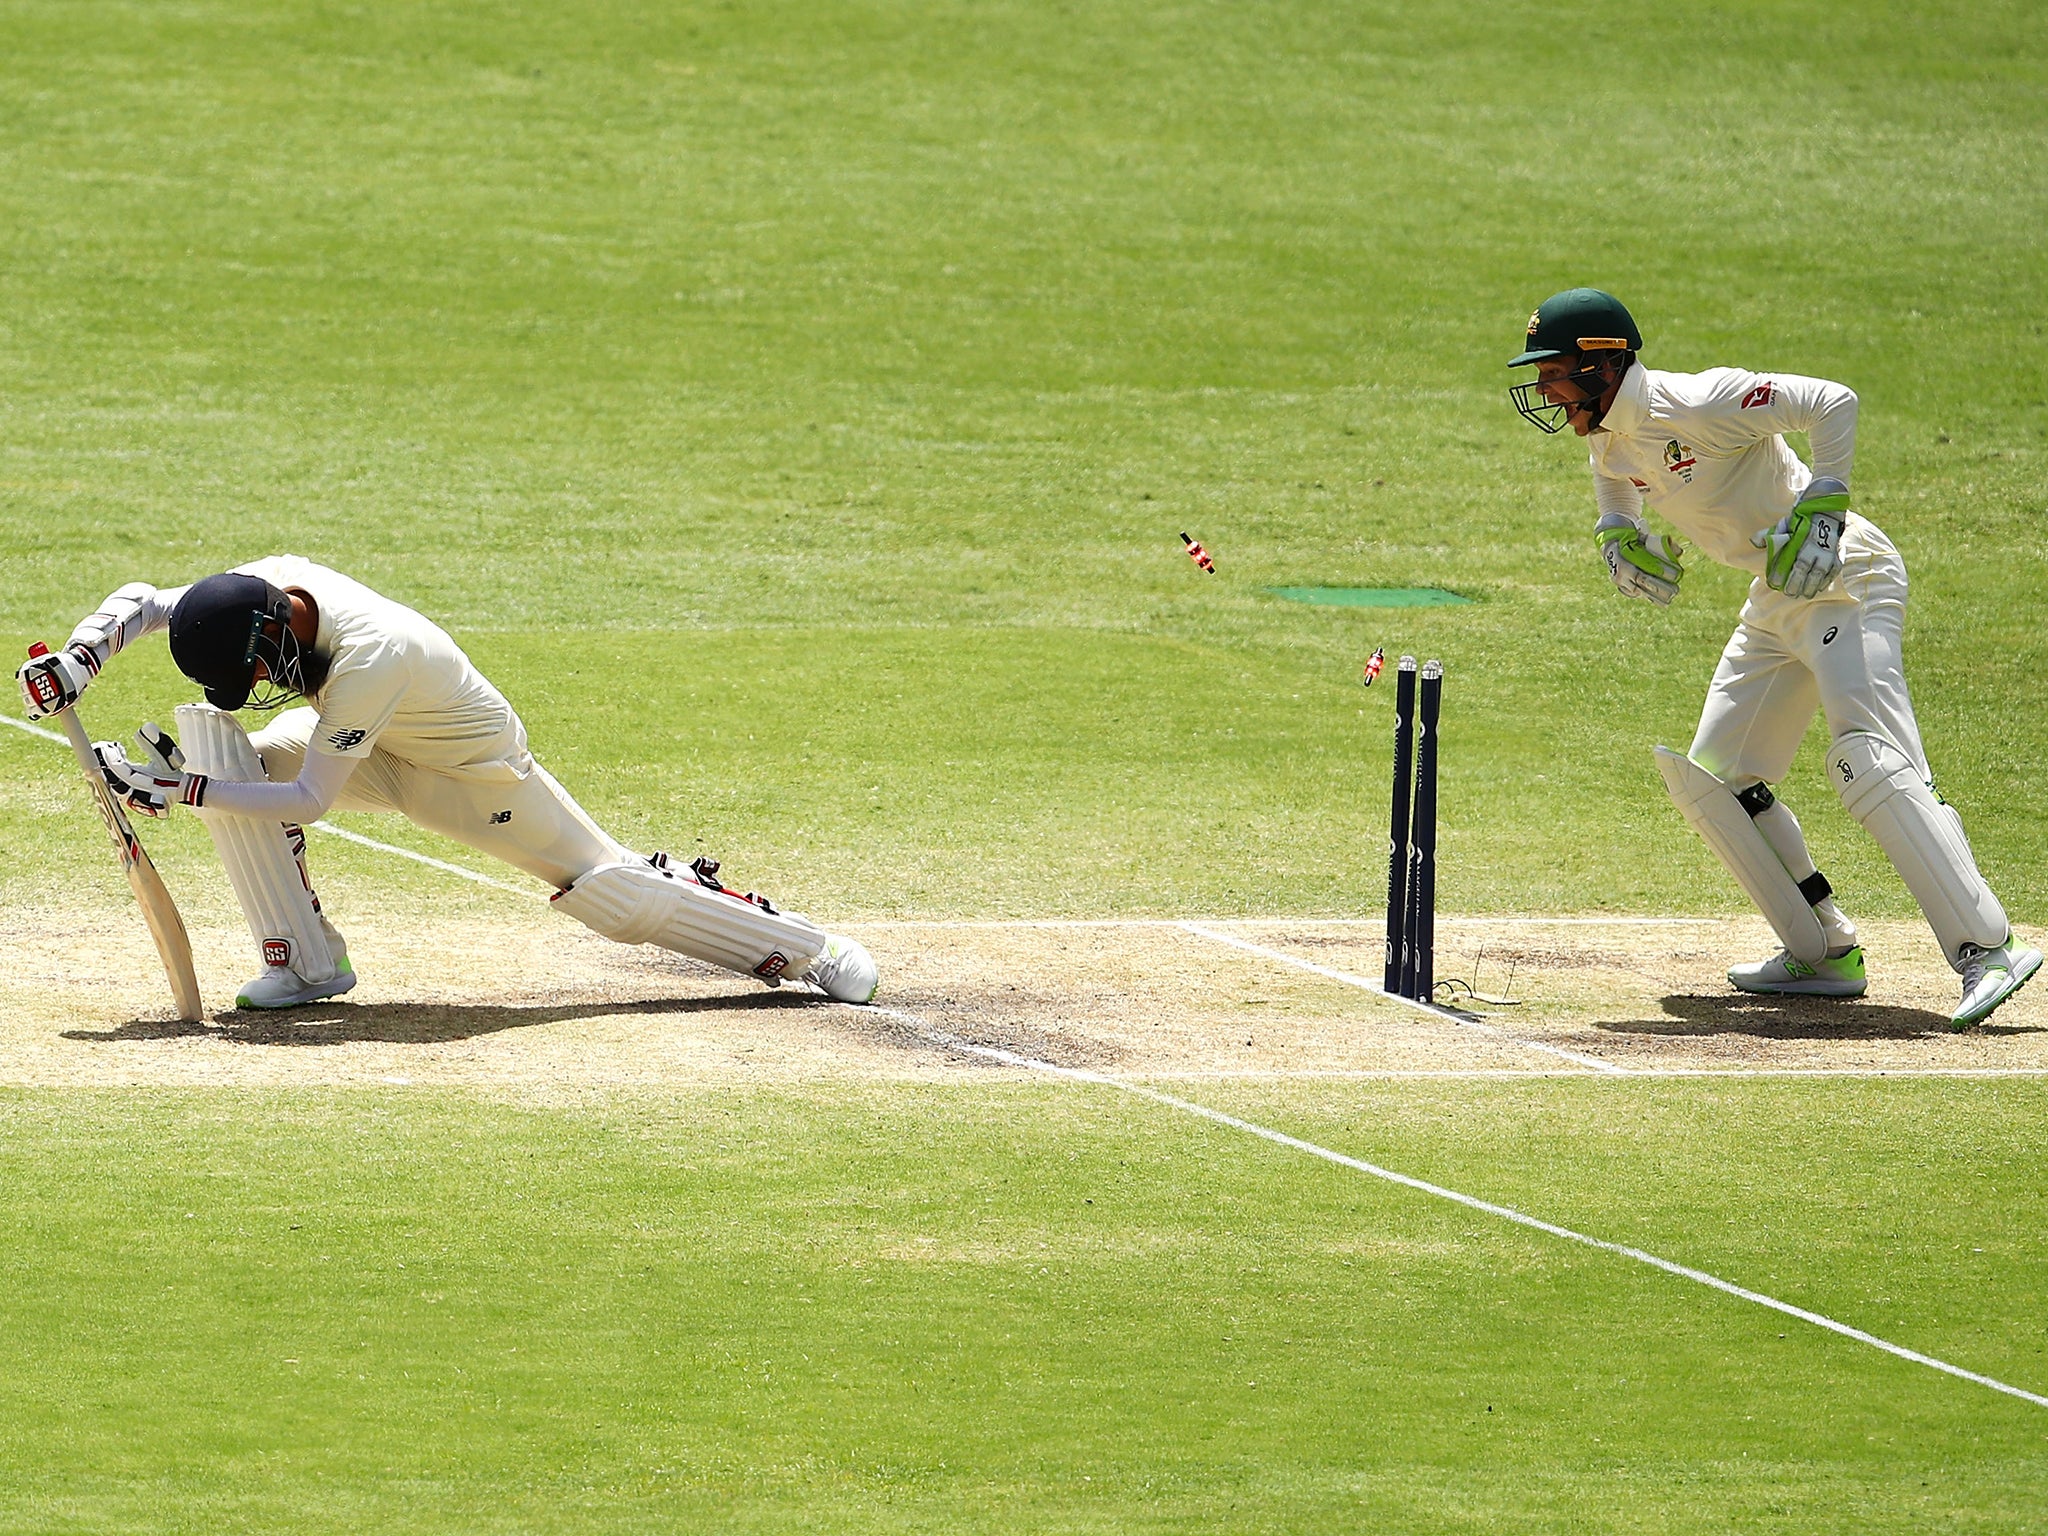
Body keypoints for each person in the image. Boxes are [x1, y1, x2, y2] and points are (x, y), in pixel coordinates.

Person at [1507, 288, 2038, 1028]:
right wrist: (1614, 531)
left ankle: (1989, 950)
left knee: (1873, 760)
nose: (1542, 389)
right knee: (1719, 778)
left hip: (1846, 576)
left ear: (1603, 363)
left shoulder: (1698, 401)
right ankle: (1822, 949)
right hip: (1774, 592)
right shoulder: (1607, 432)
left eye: (1554, 371)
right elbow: (1615, 477)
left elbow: (1832, 400)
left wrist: (1825, 499)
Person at [19, 556, 878, 1009]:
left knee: (607, 892)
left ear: (279, 628)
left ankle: (808, 949)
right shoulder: (252, 591)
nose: (265, 683)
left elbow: (313, 801)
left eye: (257, 671)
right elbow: (144, 598)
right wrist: (80, 658)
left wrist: (183, 794)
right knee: (239, 760)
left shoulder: (369, 655)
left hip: (469, 774)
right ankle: (311, 966)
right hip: (371, 744)